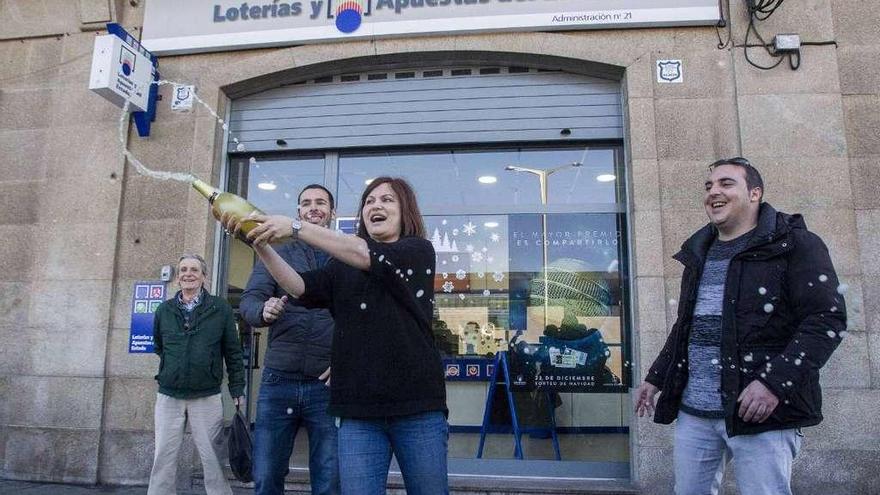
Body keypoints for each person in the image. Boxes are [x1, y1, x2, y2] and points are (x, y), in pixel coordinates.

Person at [633, 158, 847, 495]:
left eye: (726, 183)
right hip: (695, 411)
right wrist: (656, 376)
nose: (713, 192)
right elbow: (687, 325)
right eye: (709, 186)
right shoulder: (700, 251)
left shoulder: (796, 245)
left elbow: (826, 320)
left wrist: (773, 384)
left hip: (762, 414)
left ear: (754, 193)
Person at [222, 177, 448, 495]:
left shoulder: (416, 251)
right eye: (369, 201)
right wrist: (260, 244)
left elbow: (365, 254)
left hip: (417, 408)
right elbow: (299, 286)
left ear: (405, 211)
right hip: (358, 413)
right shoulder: (343, 266)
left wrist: (297, 227)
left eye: (387, 200)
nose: (376, 206)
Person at [239, 185, 339, 495]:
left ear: (332, 213)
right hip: (278, 380)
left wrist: (347, 361)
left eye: (321, 203)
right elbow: (250, 300)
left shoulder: (344, 252)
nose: (313, 208)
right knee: (267, 475)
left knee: (330, 479)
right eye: (306, 203)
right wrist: (263, 310)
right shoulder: (277, 252)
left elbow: (366, 315)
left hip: (327, 385)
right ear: (298, 212)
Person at [148, 254, 245, 495]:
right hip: (169, 395)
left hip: (206, 396)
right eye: (183, 270)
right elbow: (160, 346)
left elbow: (232, 352)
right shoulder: (164, 310)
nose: (187, 273)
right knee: (163, 456)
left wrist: (237, 389)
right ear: (178, 277)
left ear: (204, 276)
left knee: (212, 459)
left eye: (194, 269)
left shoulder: (220, 308)